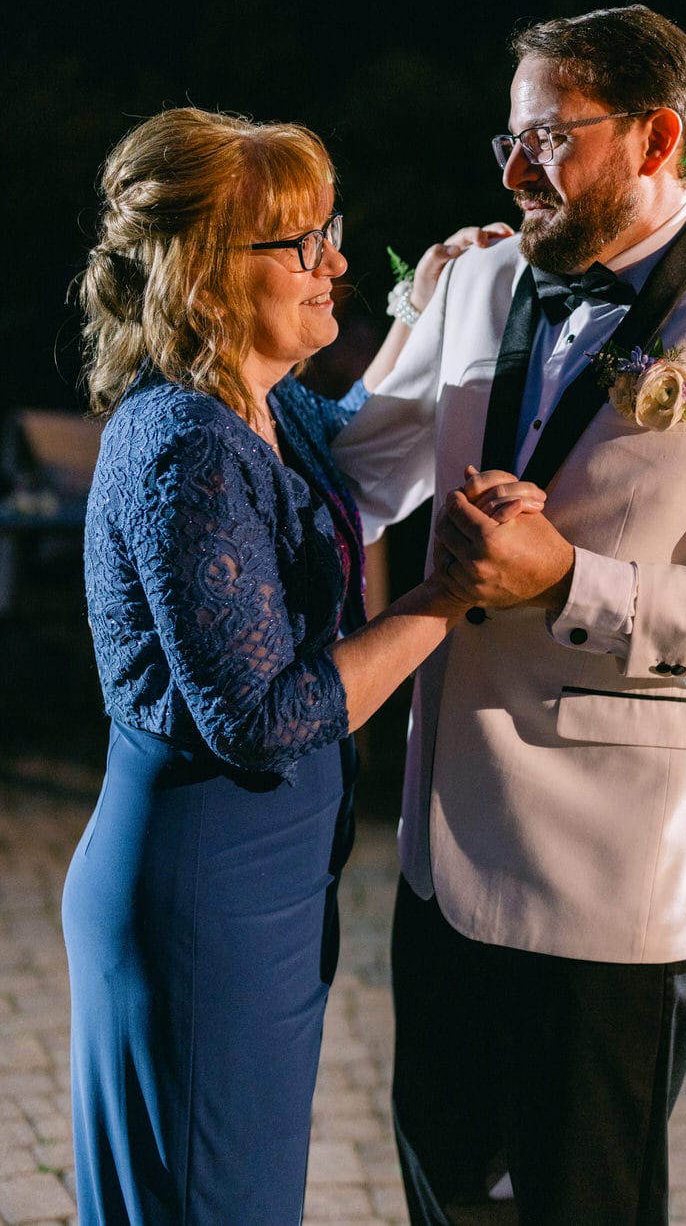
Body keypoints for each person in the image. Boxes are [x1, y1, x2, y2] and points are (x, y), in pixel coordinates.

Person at [332, 5, 686, 1224]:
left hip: (614, 874)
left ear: (654, 138)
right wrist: (409, 316)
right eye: (508, 144)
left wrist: (570, 582)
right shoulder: (472, 281)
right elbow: (362, 471)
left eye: (545, 140)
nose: (517, 172)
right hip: (440, 849)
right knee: (445, 1189)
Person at [61, 106, 537, 1226]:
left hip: (261, 888)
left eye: (333, 230)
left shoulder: (267, 412)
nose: (336, 263)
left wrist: (431, 309)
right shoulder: (184, 444)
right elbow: (266, 717)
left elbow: (372, 429)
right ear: (207, 274)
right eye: (304, 244)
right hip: (200, 888)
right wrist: (447, 594)